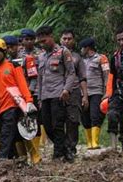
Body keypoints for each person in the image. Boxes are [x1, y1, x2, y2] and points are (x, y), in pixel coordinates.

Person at [0, 38, 39, 163]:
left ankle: (1, 159)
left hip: (13, 106)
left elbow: (22, 85)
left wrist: (29, 101)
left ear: (4, 51)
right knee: (12, 136)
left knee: (6, 134)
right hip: (0, 110)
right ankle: (16, 161)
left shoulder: (13, 66)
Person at [35, 25, 76, 162]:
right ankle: (67, 148)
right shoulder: (41, 57)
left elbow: (71, 72)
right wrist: (39, 97)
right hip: (45, 95)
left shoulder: (63, 52)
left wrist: (66, 89)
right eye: (40, 42)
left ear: (51, 37)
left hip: (58, 94)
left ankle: (58, 155)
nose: (42, 44)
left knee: (57, 125)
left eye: (44, 41)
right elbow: (40, 78)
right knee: (47, 126)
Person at [60, 29, 88, 158]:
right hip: (57, 91)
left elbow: (82, 78)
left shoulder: (77, 57)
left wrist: (85, 96)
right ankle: (60, 148)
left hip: (74, 92)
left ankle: (71, 148)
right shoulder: (54, 55)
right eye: (64, 38)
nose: (66, 41)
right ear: (60, 39)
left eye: (69, 38)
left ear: (74, 40)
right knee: (57, 121)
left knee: (73, 120)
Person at [79, 37, 110, 149]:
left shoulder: (101, 58)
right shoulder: (81, 61)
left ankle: (95, 141)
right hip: (83, 93)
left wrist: (107, 91)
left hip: (97, 91)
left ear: (87, 48)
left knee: (95, 115)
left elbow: (106, 75)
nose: (81, 50)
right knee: (84, 117)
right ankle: (89, 141)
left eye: (82, 48)